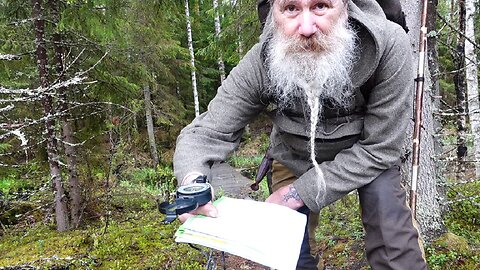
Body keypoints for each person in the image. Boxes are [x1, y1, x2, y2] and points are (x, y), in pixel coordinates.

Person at [173, 0, 427, 269]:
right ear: (274, 14)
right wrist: (193, 183)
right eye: (291, 8)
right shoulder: (262, 61)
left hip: (366, 155)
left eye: (320, 6)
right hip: (294, 153)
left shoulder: (388, 44)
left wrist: (299, 193)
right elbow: (207, 131)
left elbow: (381, 149)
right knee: (288, 255)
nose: (306, 28)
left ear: (345, 7)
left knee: (396, 247)